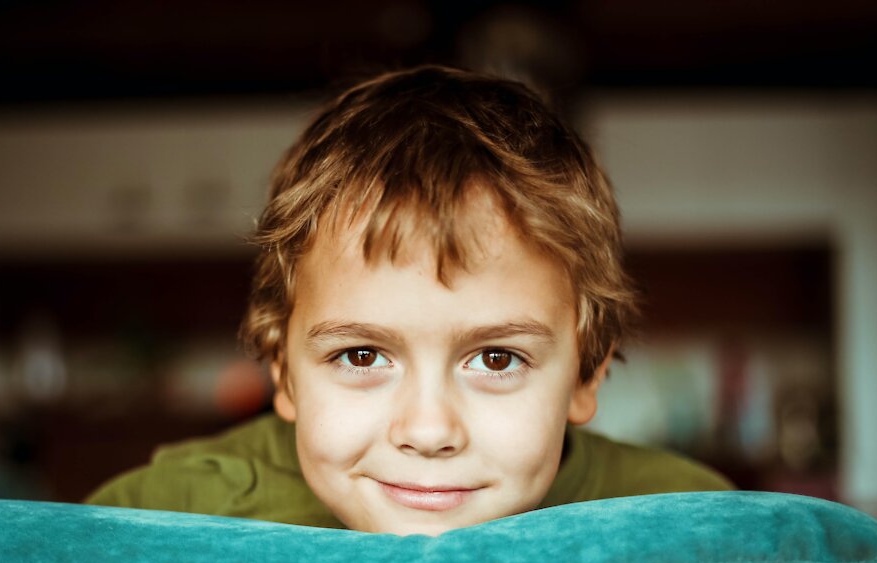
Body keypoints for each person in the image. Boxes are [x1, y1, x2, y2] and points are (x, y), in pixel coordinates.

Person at [85, 65, 732, 536]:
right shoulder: (167, 515)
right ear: (282, 368)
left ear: (586, 372)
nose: (428, 432)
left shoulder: (694, 526)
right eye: (362, 355)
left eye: (498, 360)